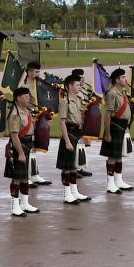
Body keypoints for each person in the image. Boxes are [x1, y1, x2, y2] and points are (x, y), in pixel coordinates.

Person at [4, 87, 39, 216]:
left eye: (28, 96)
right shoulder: (15, 114)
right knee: (17, 178)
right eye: (25, 96)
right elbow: (14, 136)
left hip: (28, 144)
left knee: (25, 177)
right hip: (19, 146)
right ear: (18, 98)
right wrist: (21, 153)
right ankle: (15, 206)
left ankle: (25, 203)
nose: (28, 98)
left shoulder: (27, 111)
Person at [56, 75, 91, 204]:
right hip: (69, 133)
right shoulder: (66, 101)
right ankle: (67, 194)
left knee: (73, 165)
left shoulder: (78, 99)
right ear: (69, 86)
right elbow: (62, 122)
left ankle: (74, 191)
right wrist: (67, 141)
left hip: (77, 132)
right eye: (77, 85)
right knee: (67, 166)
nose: (79, 86)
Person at [99, 68, 134, 194]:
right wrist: (107, 133)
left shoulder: (123, 92)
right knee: (112, 156)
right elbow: (107, 115)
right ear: (117, 80)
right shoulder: (112, 93)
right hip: (114, 127)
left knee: (119, 155)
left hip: (122, 127)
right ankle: (110, 184)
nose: (126, 79)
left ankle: (119, 181)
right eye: (123, 77)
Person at [22, 61, 51, 186]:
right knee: (27, 147)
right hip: (27, 117)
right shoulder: (23, 86)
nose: (38, 74)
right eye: (35, 71)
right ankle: (26, 176)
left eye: (39, 71)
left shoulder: (39, 84)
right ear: (28, 72)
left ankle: (34, 174)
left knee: (33, 146)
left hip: (37, 115)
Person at [71, 68, 93, 178]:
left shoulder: (84, 89)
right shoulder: (72, 92)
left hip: (83, 120)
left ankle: (80, 167)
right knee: (75, 145)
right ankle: (73, 169)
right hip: (75, 120)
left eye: (83, 77)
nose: (83, 79)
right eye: (80, 78)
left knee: (81, 145)